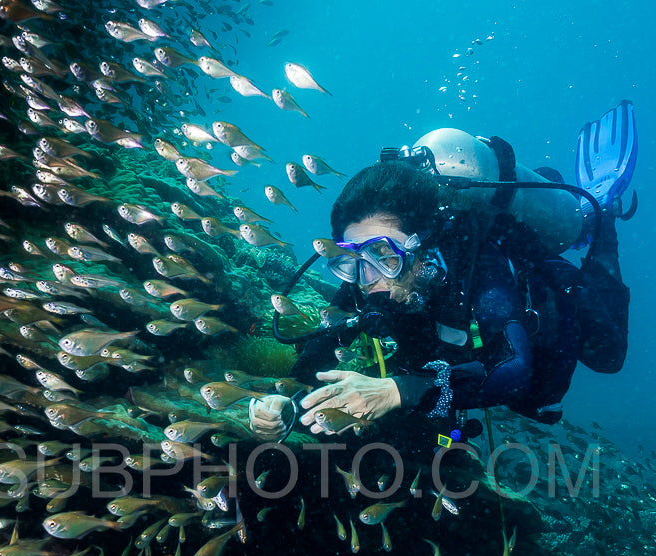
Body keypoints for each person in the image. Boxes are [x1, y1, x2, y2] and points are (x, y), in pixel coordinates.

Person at [249, 108, 633, 444]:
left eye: (384, 255)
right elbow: (327, 337)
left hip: (549, 322)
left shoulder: (478, 266)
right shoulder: (366, 276)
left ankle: (602, 213)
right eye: (352, 258)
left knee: (609, 356)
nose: (368, 279)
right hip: (452, 374)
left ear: (424, 246)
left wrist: (401, 389)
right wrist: (286, 395)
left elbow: (515, 370)